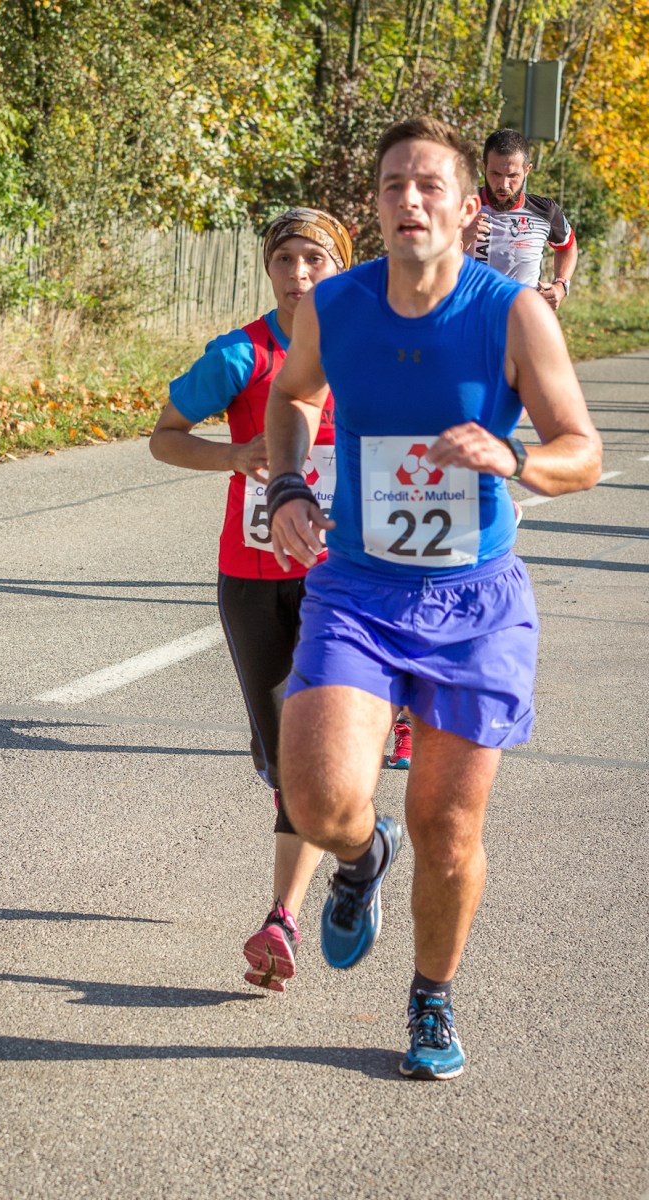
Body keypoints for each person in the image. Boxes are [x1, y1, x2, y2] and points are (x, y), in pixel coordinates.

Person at [264, 117, 601, 1079]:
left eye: (428, 186)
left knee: (449, 832)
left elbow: (583, 450)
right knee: (318, 802)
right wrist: (287, 486)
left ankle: (431, 997)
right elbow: (293, 397)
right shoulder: (336, 304)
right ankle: (360, 859)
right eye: (392, 186)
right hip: (359, 590)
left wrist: (516, 458)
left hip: (475, 601)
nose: (408, 199)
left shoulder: (514, 313)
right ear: (376, 207)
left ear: (465, 210)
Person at [149, 207, 353, 994]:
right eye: (284, 260)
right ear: (268, 269)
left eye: (315, 259)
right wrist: (234, 454)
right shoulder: (243, 354)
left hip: (343, 581)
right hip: (254, 577)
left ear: (340, 265)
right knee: (283, 763)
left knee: (307, 760)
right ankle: (354, 834)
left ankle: (282, 919)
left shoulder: (367, 350)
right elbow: (165, 434)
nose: (298, 275)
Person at [463, 127, 578, 310]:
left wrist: (561, 285)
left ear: (527, 170)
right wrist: (460, 240)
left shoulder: (545, 211)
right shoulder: (462, 206)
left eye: (513, 176)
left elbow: (567, 246)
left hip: (523, 317)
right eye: (495, 174)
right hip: (469, 315)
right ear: (484, 167)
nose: (503, 184)